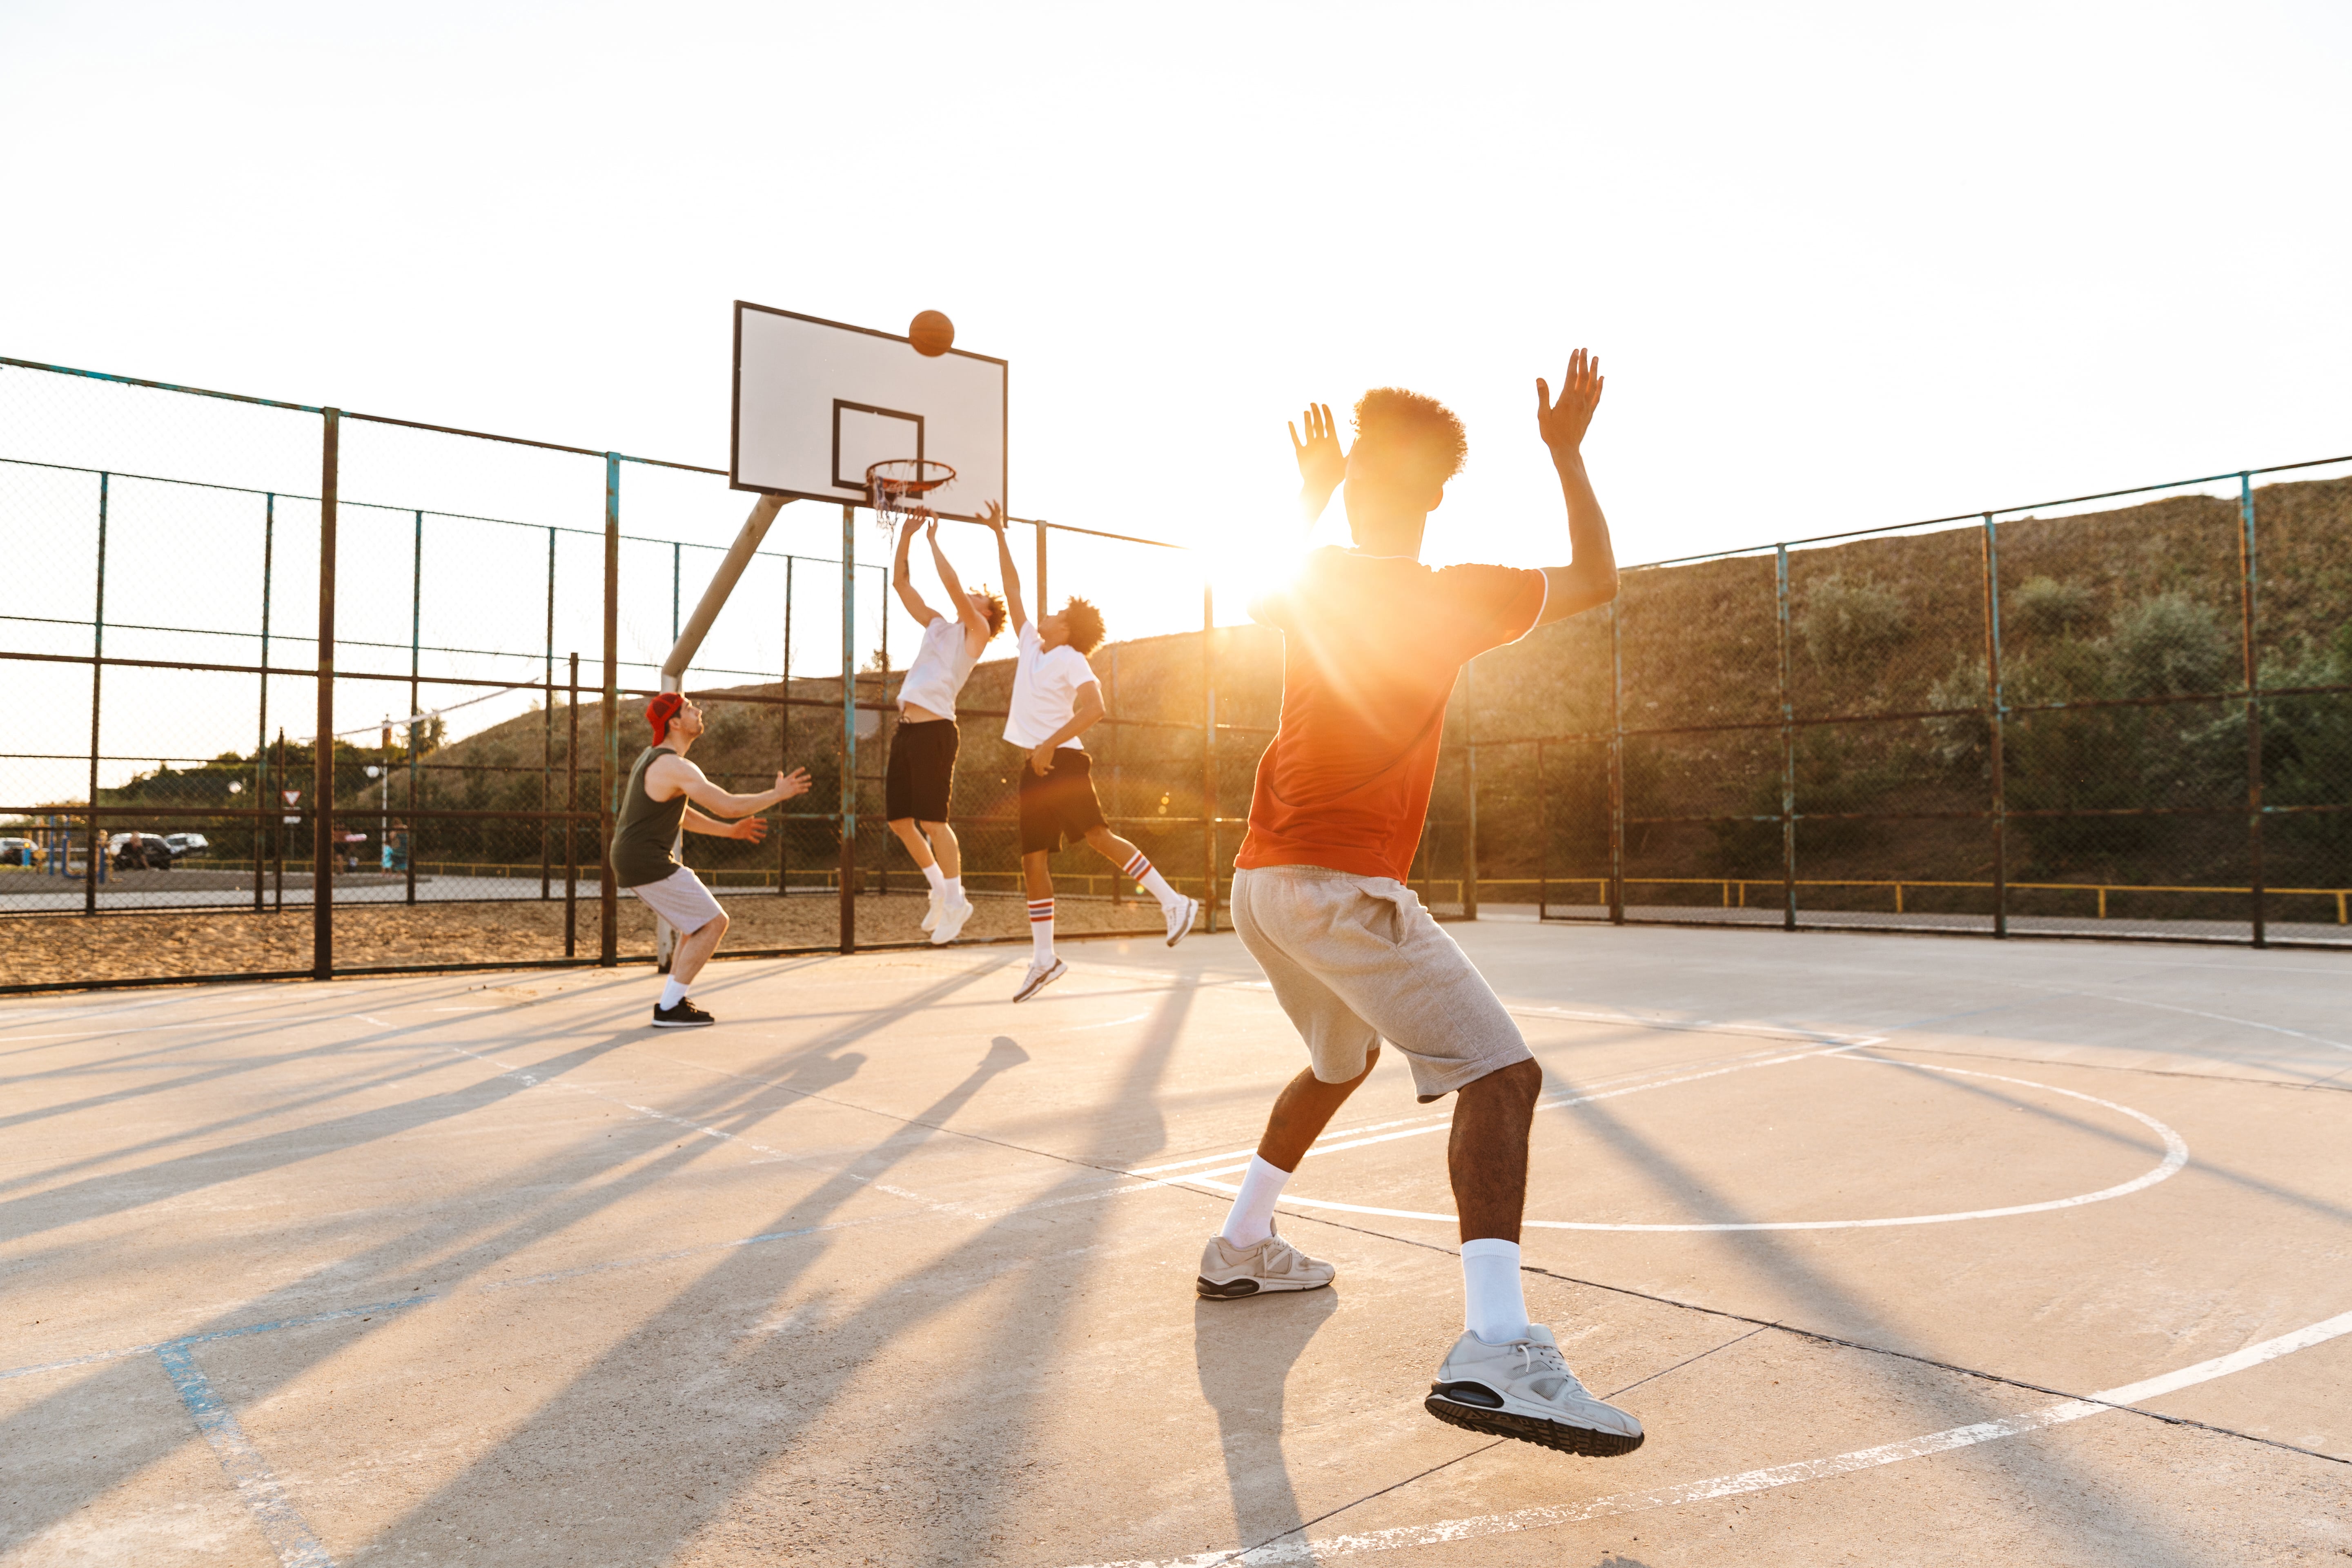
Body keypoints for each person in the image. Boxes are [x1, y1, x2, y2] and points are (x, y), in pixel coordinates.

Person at [1199, 352, 1640, 1459]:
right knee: (1505, 1078)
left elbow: (1263, 582)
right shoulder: (1461, 595)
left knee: (1339, 1063)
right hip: (1339, 886)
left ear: (1352, 481)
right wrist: (1568, 453)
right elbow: (1597, 576)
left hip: (1260, 885)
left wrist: (1307, 490)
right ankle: (1496, 1348)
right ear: (1440, 492)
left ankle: (1243, 1242)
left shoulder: (1320, 579)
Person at [986, 508, 1199, 1002]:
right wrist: (998, 534)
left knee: (1099, 837)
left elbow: (1097, 708)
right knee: (1033, 860)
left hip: (1062, 763)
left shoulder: (1071, 658)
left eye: (1058, 613)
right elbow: (1013, 590)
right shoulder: (1031, 647)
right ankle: (1044, 959)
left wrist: (1048, 744)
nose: (1047, 614)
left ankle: (1175, 903)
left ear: (1066, 628)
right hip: (1036, 767)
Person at [611, 691, 811, 1027]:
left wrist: (729, 833)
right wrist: (777, 794)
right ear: (674, 722)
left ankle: (671, 1004)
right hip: (645, 858)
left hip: (637, 857)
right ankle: (669, 1008)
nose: (698, 711)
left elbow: (683, 815)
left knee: (697, 925)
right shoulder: (674, 765)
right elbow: (728, 804)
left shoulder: (654, 758)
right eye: (690, 709)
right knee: (714, 923)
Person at [885, 511, 1007, 946]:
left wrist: (935, 541)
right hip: (907, 730)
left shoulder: (976, 633)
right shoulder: (938, 626)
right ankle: (939, 889)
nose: (970, 596)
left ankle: (957, 901)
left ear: (987, 615)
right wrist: (906, 536)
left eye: (979, 597)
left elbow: (955, 588)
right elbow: (902, 585)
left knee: (935, 823)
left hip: (937, 731)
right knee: (900, 821)